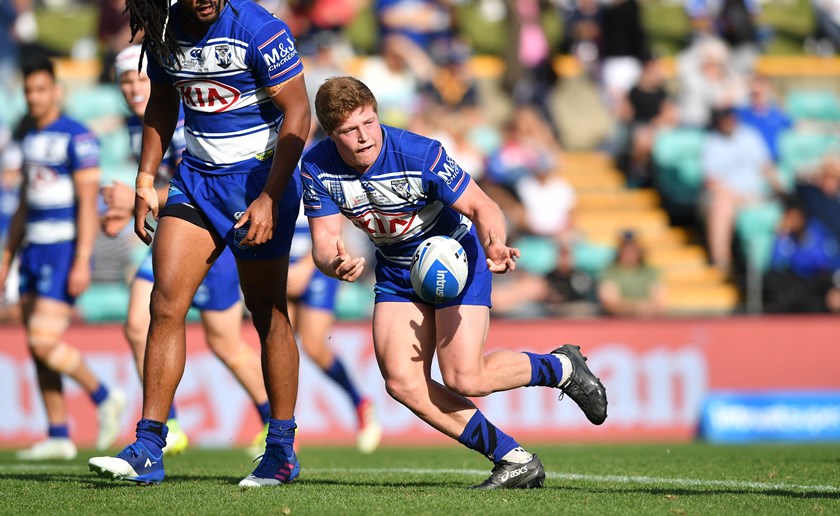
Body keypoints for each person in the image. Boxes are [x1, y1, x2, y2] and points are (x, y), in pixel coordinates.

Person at [301, 76, 608, 489]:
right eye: (349, 131)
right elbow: (324, 242)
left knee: (466, 378)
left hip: (455, 258)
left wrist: (496, 242)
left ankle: (562, 366)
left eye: (369, 122)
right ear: (329, 133)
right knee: (402, 383)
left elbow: (483, 205)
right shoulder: (317, 166)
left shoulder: (419, 153)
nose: (363, 137)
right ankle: (513, 459)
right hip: (396, 270)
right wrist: (333, 263)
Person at [88, 0, 310, 487]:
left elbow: (298, 111)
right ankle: (149, 444)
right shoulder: (165, 29)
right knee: (165, 304)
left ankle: (281, 451)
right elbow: (163, 103)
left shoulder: (259, 28)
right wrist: (145, 179)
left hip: (258, 184)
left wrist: (271, 196)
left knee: (267, 311)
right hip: (195, 182)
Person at [100, 45, 273, 456]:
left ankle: (272, 421)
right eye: (125, 81)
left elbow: (192, 188)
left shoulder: (181, 119)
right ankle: (167, 425)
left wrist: (136, 198)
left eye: (139, 78)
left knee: (225, 343)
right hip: (170, 235)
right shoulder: (136, 122)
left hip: (208, 234)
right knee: (138, 322)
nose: (132, 87)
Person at [0, 58, 126, 460]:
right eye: (29, 91)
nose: (34, 98)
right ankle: (58, 432)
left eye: (41, 90)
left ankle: (105, 396)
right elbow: (23, 202)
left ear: (57, 91)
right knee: (37, 347)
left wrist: (81, 258)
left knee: (42, 339)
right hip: (33, 248)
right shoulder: (28, 136)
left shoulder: (78, 136)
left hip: (63, 247)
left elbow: (88, 203)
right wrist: (7, 254)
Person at [286, 209, 383, 453]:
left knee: (313, 345)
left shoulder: (309, 170)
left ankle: (359, 402)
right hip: (282, 263)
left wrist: (306, 267)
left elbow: (332, 223)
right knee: (280, 346)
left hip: (317, 264)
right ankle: (283, 429)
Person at [597, 230, 665, 317]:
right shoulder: (610, 272)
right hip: (619, 323)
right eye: (625, 248)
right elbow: (610, 303)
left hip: (647, 322)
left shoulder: (650, 272)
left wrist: (629, 307)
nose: (629, 251)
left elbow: (659, 302)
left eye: (633, 248)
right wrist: (639, 307)